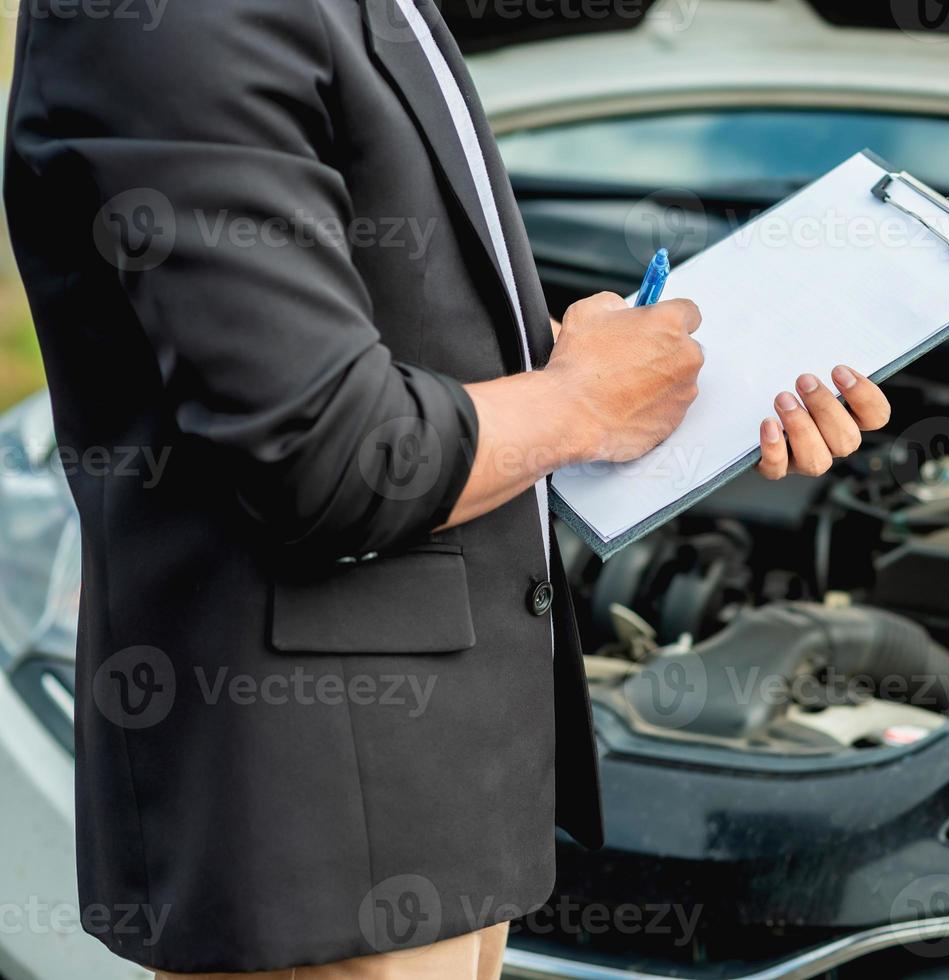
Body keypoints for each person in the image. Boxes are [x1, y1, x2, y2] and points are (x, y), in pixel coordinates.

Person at [3, 1, 890, 978]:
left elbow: (377, 325)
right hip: (316, 835)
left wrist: (614, 370)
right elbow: (322, 450)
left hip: (448, 809)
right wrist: (580, 401)